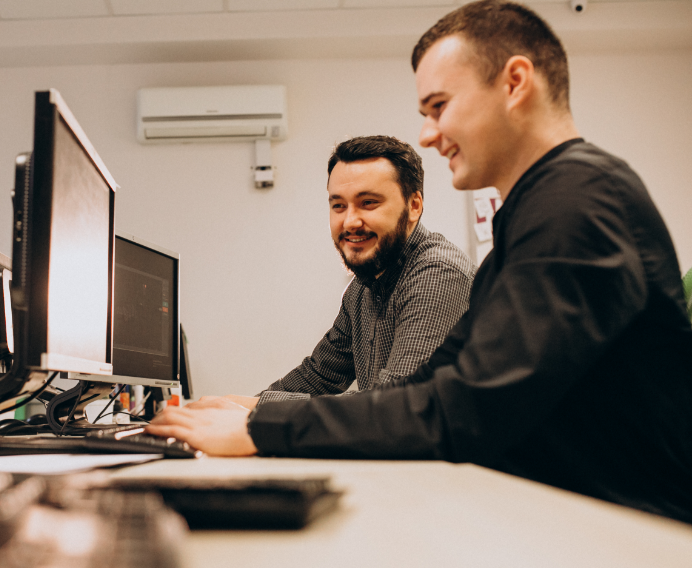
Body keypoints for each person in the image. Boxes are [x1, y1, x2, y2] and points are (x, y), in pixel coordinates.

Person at [147, 0, 692, 524]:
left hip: (625, 532)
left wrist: (261, 426)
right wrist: (255, 414)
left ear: (515, 83)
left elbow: (463, 411)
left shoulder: (577, 201)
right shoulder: (537, 212)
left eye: (439, 107)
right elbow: (428, 390)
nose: (429, 135)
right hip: (570, 515)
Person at [199, 136, 474, 412]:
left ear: (414, 206)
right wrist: (239, 408)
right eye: (338, 205)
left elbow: (396, 404)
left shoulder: (438, 274)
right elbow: (318, 376)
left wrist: (256, 411)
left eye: (368, 203)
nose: (350, 222)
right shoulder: (364, 285)